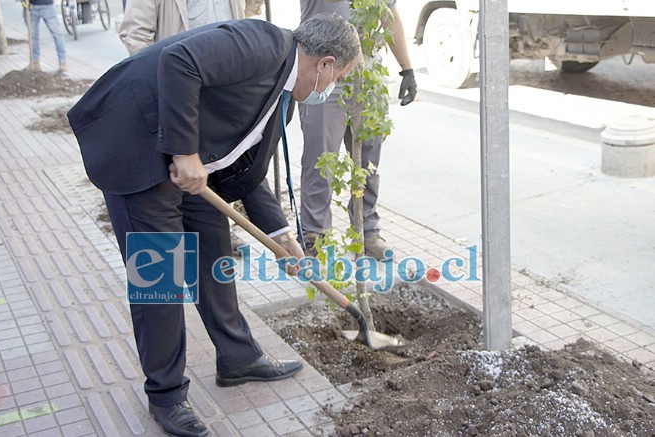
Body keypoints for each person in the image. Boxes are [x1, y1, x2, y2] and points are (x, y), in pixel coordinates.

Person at [68, 14, 361, 437]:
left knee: (214, 255)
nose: (330, 90)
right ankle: (166, 395)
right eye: (339, 78)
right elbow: (179, 59)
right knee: (160, 277)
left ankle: (238, 357)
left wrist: (281, 237)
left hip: (193, 166)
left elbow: (244, 170)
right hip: (137, 144)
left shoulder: (281, 95)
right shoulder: (263, 43)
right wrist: (185, 151)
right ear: (325, 64)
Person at [119, 0, 265, 256]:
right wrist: (166, 88)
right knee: (172, 186)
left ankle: (214, 239)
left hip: (218, 96)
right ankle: (171, 245)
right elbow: (135, 34)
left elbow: (248, 17)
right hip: (174, 96)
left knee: (207, 181)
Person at [298, 0, 417, 260]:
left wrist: (407, 68)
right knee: (321, 161)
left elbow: (389, 15)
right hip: (323, 71)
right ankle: (314, 237)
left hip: (368, 75)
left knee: (367, 163)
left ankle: (367, 232)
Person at [119, 0, 263, 55]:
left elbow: (249, 8)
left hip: (232, 71)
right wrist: (160, 78)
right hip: (185, 80)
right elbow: (135, 33)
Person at [22, 0, 67, 72]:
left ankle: (35, 62)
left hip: (34, 6)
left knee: (34, 36)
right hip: (43, 5)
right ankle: (62, 62)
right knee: (57, 35)